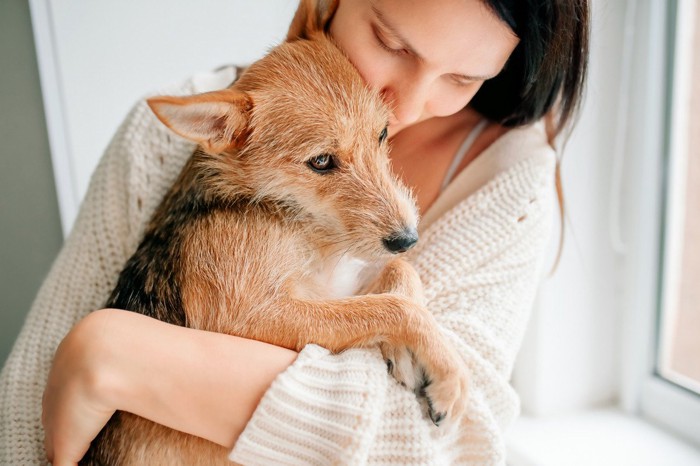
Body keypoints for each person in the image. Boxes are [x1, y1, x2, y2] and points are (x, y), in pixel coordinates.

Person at [0, 0, 589, 464]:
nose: (405, 107)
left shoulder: (513, 190)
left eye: (463, 77)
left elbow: (448, 445)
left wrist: (115, 357)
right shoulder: (180, 141)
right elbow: (27, 409)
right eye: (391, 43)